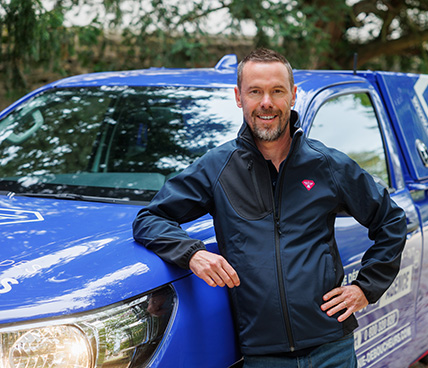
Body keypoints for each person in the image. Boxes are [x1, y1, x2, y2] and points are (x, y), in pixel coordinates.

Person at [133, 48, 407, 367]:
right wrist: (192, 253)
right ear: (239, 97)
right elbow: (150, 218)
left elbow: (392, 222)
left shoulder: (327, 165)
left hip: (332, 348)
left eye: (277, 91)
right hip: (263, 356)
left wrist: (365, 288)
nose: (267, 102)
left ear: (293, 95)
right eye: (255, 92)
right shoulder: (217, 169)